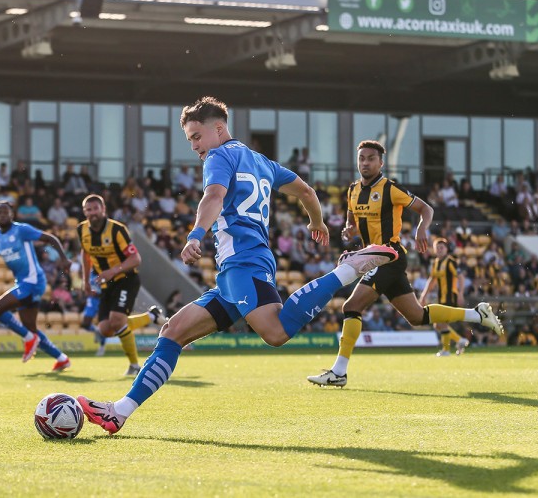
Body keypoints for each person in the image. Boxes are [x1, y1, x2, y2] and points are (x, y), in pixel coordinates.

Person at [75, 96, 398, 435]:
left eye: (197, 136)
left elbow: (213, 197)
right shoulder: (261, 161)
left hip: (245, 262)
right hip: (234, 271)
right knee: (172, 332)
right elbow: (305, 191)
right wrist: (317, 222)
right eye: (190, 140)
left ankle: (348, 270)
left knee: (274, 332)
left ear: (218, 128)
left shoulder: (218, 156)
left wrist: (196, 234)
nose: (195, 146)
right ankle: (119, 412)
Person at [307, 140, 503, 387]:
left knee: (351, 307)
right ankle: (477, 314)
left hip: (390, 256)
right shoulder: (352, 190)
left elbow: (426, 209)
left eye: (370, 158)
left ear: (380, 162)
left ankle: (339, 372)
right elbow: (351, 215)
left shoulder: (390, 189)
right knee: (417, 316)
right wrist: (350, 228)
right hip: (372, 257)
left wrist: (422, 228)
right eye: (361, 159)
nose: (364, 163)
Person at [0, 201, 73, 371]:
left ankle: (28, 338)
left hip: (34, 280)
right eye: (0, 213)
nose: (3, 215)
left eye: (6, 212)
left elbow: (50, 238)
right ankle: (61, 358)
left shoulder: (22, 229)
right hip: (22, 282)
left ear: (12, 215)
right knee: (30, 327)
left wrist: (63, 258)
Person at [77, 194, 165, 375]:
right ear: (84, 212)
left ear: (103, 210)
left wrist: (112, 271)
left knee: (117, 320)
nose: (92, 213)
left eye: (95, 209)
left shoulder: (117, 230)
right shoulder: (82, 230)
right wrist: (85, 281)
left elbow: (135, 259)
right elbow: (86, 254)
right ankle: (151, 317)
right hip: (106, 285)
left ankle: (134, 366)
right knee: (105, 329)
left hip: (126, 279)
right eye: (88, 210)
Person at [418, 239, 470, 357]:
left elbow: (460, 277)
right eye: (438, 247)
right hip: (441, 298)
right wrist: (423, 295)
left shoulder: (450, 261)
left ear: (446, 249)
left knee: (440, 323)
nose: (440, 250)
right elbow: (432, 280)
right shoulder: (436, 262)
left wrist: (461, 293)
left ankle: (449, 348)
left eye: (442, 247)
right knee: (438, 324)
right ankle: (457, 341)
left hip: (450, 297)